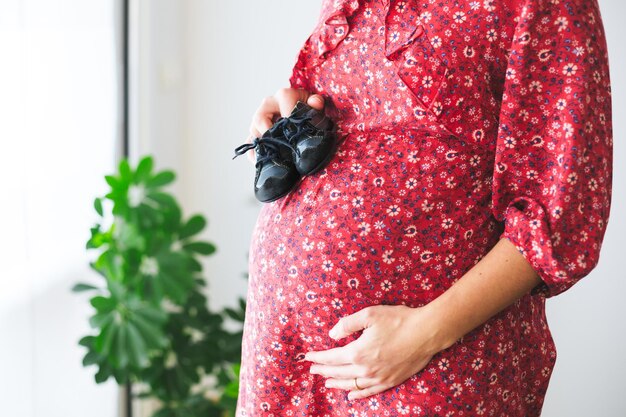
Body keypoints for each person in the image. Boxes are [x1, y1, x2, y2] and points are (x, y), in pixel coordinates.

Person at [235, 0, 613, 415]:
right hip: (285, 354)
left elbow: (561, 214)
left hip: (427, 361)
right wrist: (290, 111)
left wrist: (425, 334)